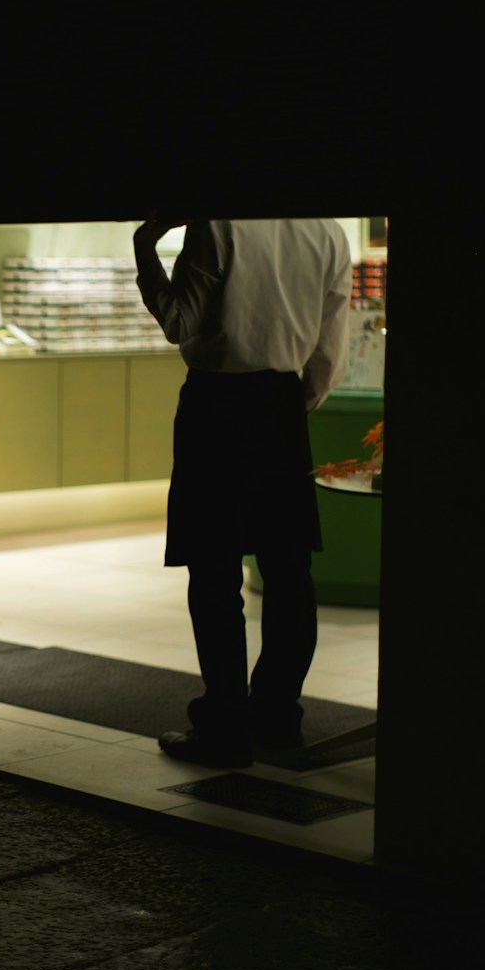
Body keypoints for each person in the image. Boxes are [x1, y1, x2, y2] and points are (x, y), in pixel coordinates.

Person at [133, 215, 353, 768]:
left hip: (217, 406)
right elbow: (330, 350)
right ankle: (277, 717)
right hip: (282, 406)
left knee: (214, 574)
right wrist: (289, 405)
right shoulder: (328, 230)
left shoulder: (219, 221)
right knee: (289, 573)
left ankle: (226, 725)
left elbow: (179, 321)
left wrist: (145, 247)